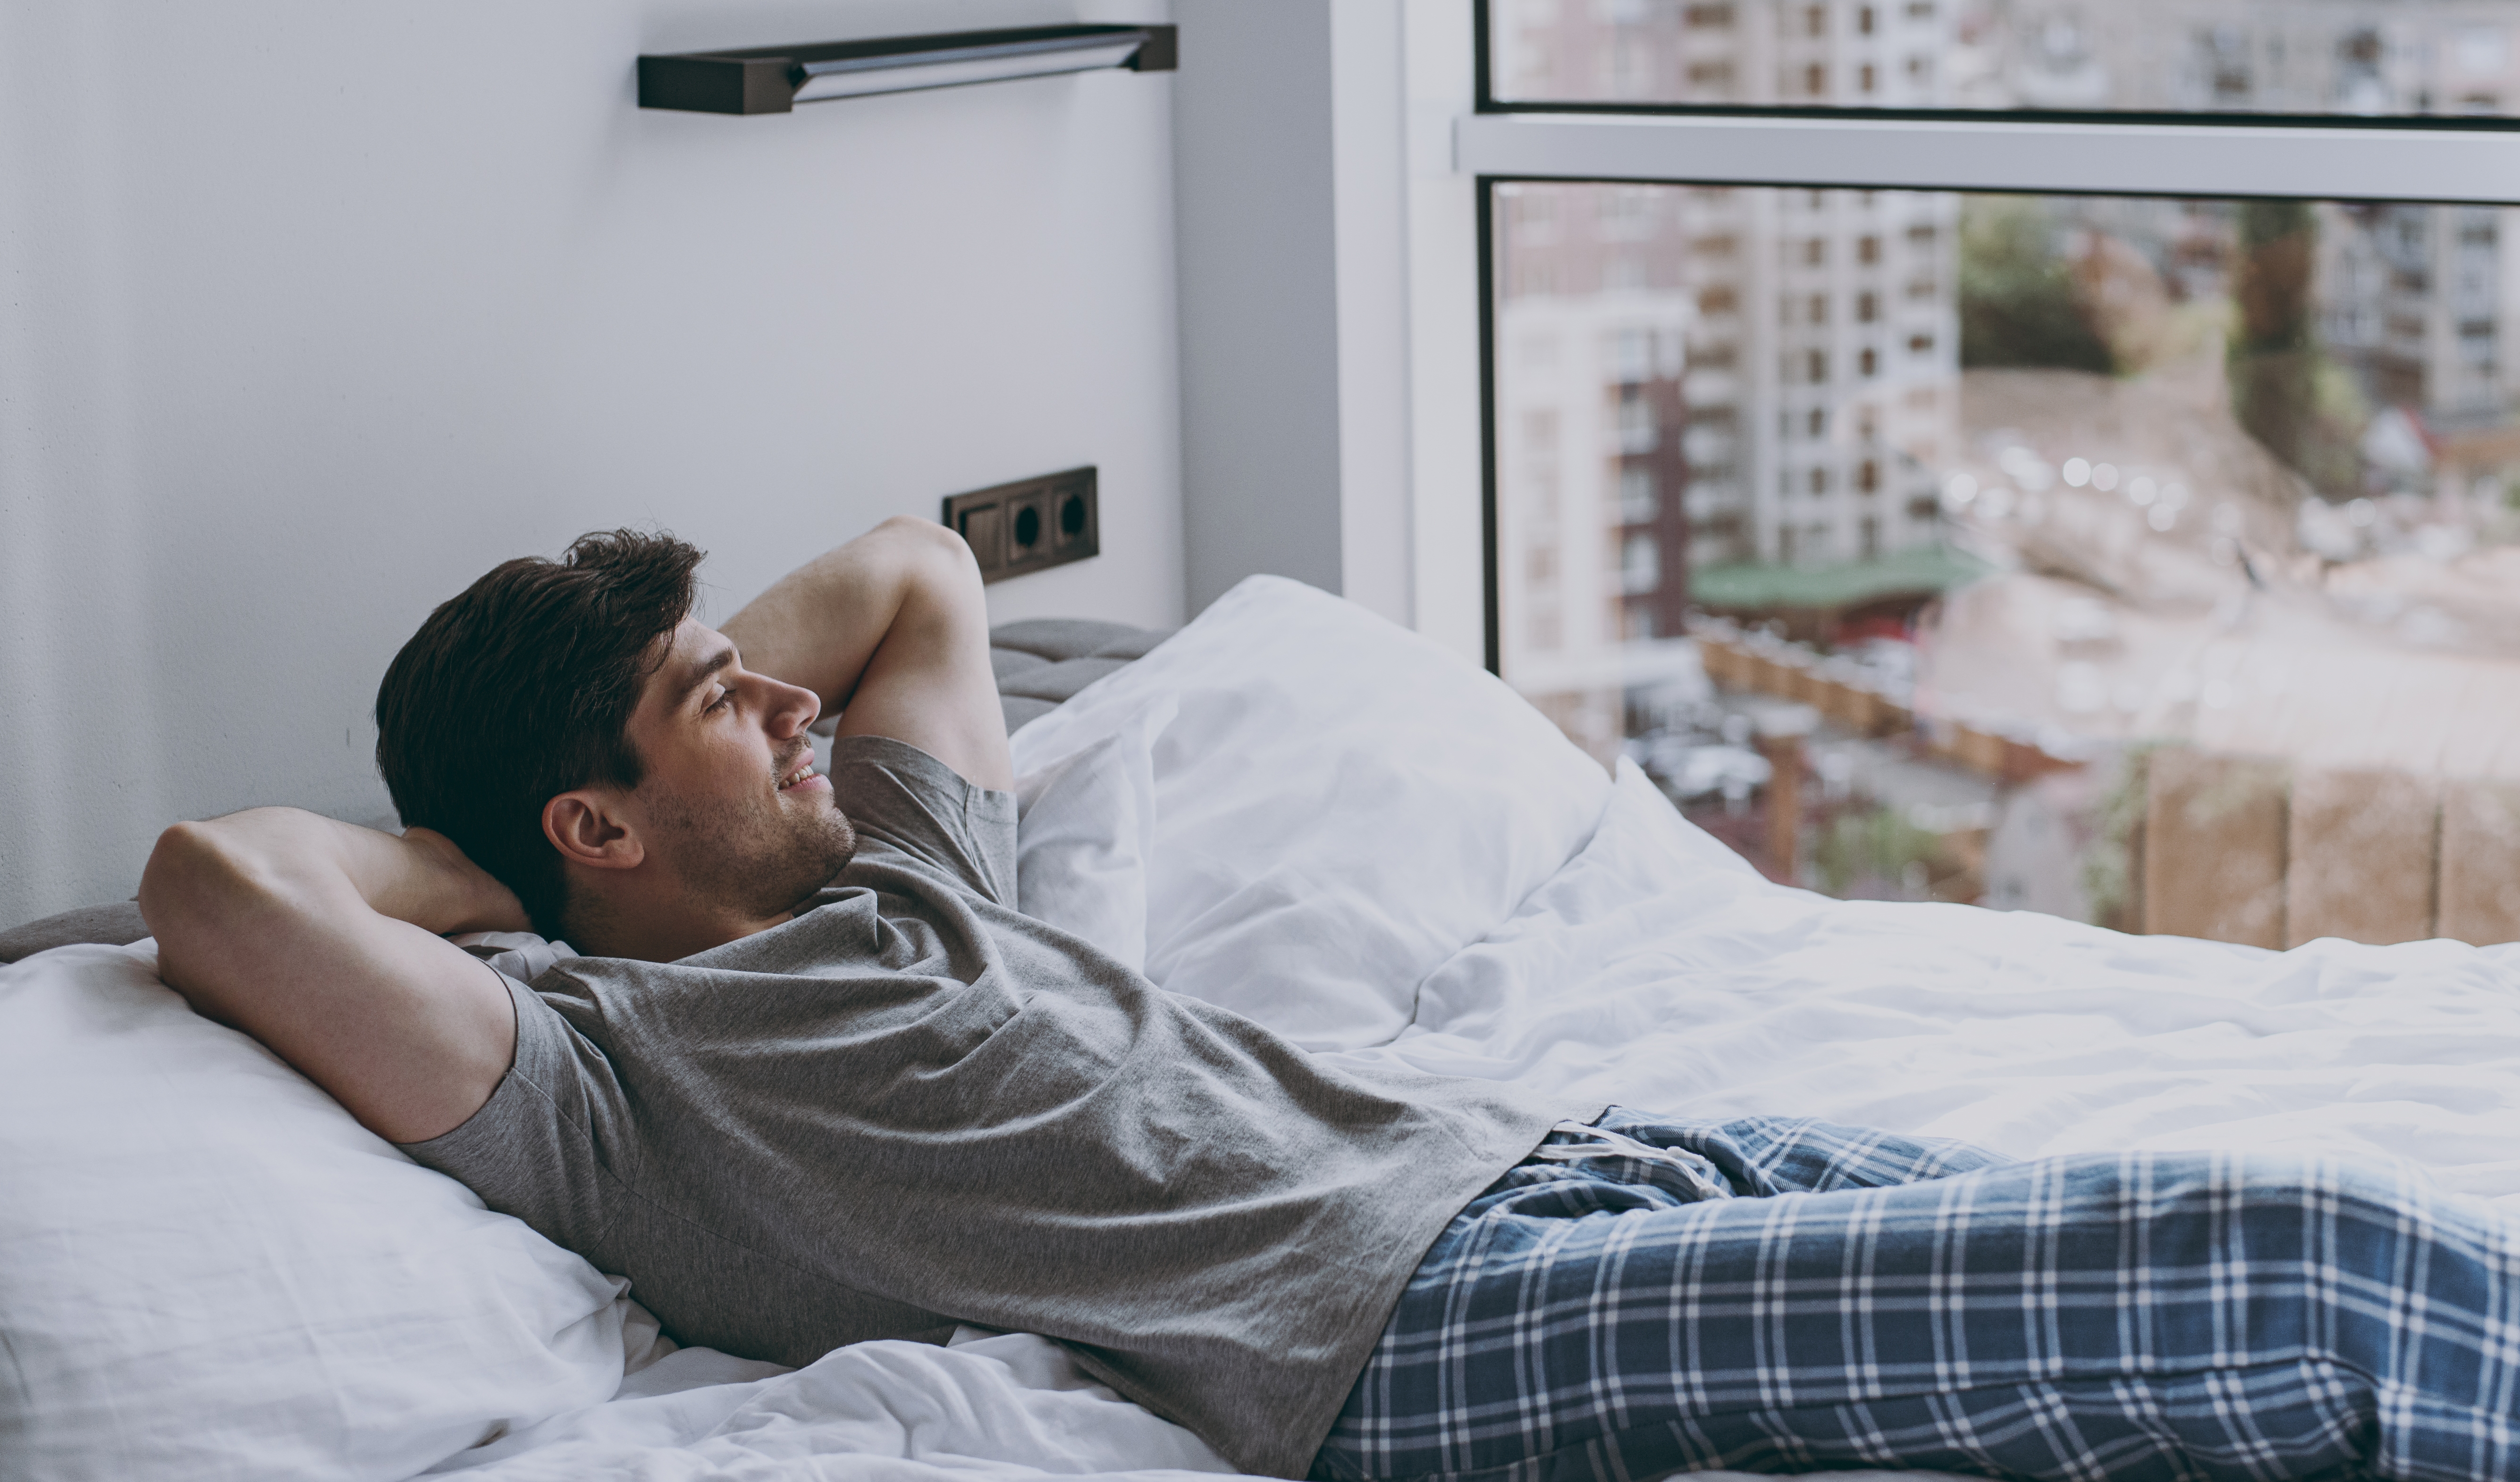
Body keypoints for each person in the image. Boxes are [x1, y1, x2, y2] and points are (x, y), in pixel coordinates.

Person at [141, 520, 2520, 1482]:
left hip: (1566, 1156)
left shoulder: (919, 871)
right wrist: (483, 873)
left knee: (2232, 1357)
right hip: (1400, 1331)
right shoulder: (605, 1082)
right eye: (708, 697)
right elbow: (213, 893)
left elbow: (919, 571)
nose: (784, 694)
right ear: (591, 828)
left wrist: (675, 709)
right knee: (2287, 1267)